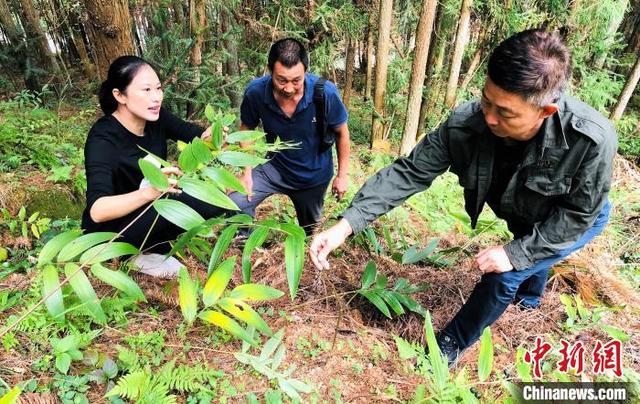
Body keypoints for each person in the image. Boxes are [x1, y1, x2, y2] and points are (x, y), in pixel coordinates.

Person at [309, 29, 617, 365]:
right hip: (524, 212)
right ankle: (529, 302)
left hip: (575, 219)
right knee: (526, 242)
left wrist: (515, 254)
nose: (489, 117)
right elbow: (410, 172)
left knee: (506, 270)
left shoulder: (590, 139)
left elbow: (576, 216)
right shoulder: (468, 125)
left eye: (505, 112)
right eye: (486, 100)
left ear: (545, 111)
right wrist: (345, 226)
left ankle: (448, 348)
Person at [82, 56, 226, 277]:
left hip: (147, 214)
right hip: (109, 235)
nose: (156, 97)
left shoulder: (155, 119)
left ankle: (151, 249)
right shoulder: (103, 138)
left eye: (158, 88)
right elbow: (98, 211)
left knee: (214, 200)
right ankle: (128, 256)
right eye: (146, 90)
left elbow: (195, 137)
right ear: (119, 95)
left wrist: (214, 136)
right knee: (197, 199)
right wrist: (149, 192)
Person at [228, 38, 351, 236]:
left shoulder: (325, 93)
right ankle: (242, 242)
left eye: (296, 80)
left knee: (309, 233)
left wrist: (342, 175)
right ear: (270, 70)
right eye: (281, 80)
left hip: (313, 176)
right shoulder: (256, 93)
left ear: (305, 72)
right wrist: (246, 173)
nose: (289, 88)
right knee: (236, 200)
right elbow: (246, 130)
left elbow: (342, 134)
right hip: (274, 169)